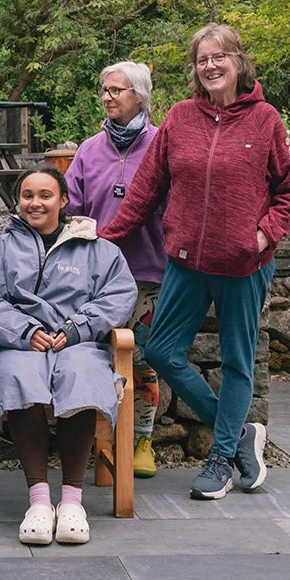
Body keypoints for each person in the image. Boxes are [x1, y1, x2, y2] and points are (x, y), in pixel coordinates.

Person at [102, 22, 290, 501]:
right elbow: (145, 191)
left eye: (219, 57)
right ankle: (237, 437)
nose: (211, 65)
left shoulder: (264, 120)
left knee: (239, 361)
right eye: (202, 59)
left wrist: (263, 235)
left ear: (238, 61)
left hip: (244, 266)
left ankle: (218, 460)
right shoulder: (179, 118)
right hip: (186, 262)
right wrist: (103, 240)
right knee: (161, 351)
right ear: (195, 69)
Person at [0, 165, 136, 547]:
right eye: (28, 195)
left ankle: (73, 501)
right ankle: (39, 501)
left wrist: (78, 328)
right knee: (18, 375)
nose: (35, 203)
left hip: (77, 342)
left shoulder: (99, 249)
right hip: (21, 343)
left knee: (82, 374)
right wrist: (25, 331)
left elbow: (118, 295)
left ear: (63, 201)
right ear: (18, 201)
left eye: (45, 195)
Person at [66, 60, 166, 478]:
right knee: (97, 356)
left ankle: (142, 440)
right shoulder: (89, 150)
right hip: (96, 276)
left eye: (116, 90)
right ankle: (101, 442)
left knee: (143, 357)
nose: (107, 97)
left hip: (150, 269)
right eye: (104, 90)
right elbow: (71, 207)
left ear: (139, 96)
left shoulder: (164, 143)